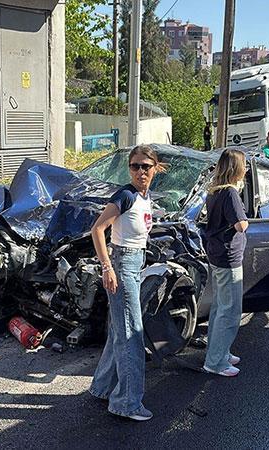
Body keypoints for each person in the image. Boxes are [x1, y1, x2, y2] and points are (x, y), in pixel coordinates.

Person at [89, 145, 162, 421]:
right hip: (122, 264)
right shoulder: (126, 195)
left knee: (121, 329)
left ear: (155, 168)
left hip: (134, 262)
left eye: (146, 166)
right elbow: (97, 229)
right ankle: (127, 403)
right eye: (135, 166)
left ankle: (103, 387)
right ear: (129, 169)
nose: (140, 171)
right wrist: (107, 267)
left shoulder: (145, 196)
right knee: (132, 333)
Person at [203, 148, 249, 377]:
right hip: (228, 258)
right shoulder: (230, 192)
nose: (246, 169)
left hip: (217, 254)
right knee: (229, 311)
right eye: (244, 165)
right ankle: (216, 362)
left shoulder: (214, 190)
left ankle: (220, 352)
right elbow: (240, 225)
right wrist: (246, 220)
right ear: (236, 168)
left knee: (219, 308)